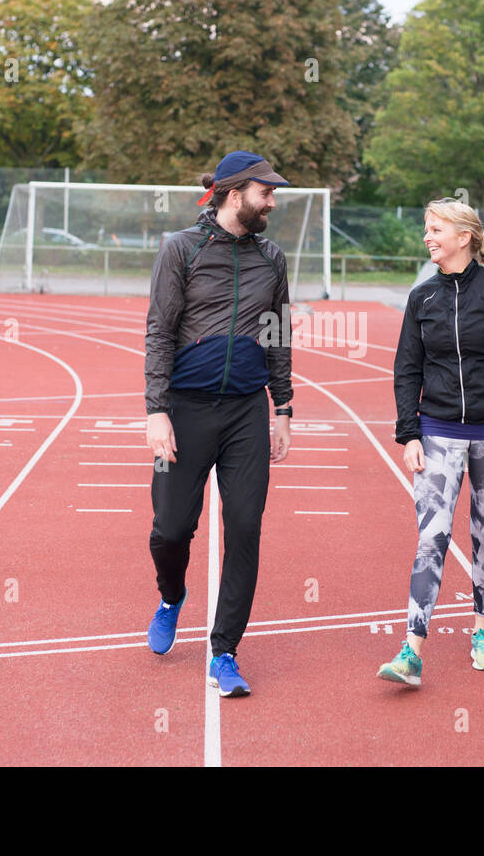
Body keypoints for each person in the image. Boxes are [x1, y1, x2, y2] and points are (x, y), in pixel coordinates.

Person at [143, 150, 294, 697]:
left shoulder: (271, 257)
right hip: (183, 409)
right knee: (171, 529)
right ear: (236, 195)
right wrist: (156, 411)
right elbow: (159, 331)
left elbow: (278, 332)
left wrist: (283, 408)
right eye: (266, 193)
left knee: (246, 526)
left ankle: (224, 652)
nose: (272, 202)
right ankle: (170, 595)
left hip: (245, 413)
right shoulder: (181, 250)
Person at [378, 198, 484, 686]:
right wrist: (408, 431)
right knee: (432, 537)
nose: (427, 237)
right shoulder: (422, 298)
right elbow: (406, 368)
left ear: (463, 236)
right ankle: (412, 650)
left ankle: (483, 632)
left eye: (435, 230)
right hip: (438, 430)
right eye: (426, 230)